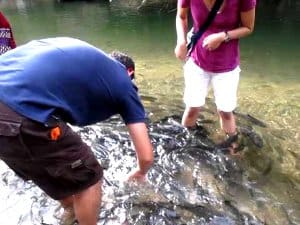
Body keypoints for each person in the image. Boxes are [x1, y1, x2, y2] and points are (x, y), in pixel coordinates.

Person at [0, 37, 154, 225]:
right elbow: (146, 157)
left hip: (9, 110)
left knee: (49, 167)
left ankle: (71, 211)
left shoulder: (75, 52)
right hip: (17, 113)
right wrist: (139, 172)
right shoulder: (123, 82)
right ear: (129, 72)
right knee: (89, 177)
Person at [174, 0, 256, 151]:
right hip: (197, 61)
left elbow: (248, 27)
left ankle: (232, 153)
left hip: (227, 66)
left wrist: (223, 36)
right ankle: (184, 148)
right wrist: (181, 41)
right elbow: (181, 16)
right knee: (192, 107)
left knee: (225, 112)